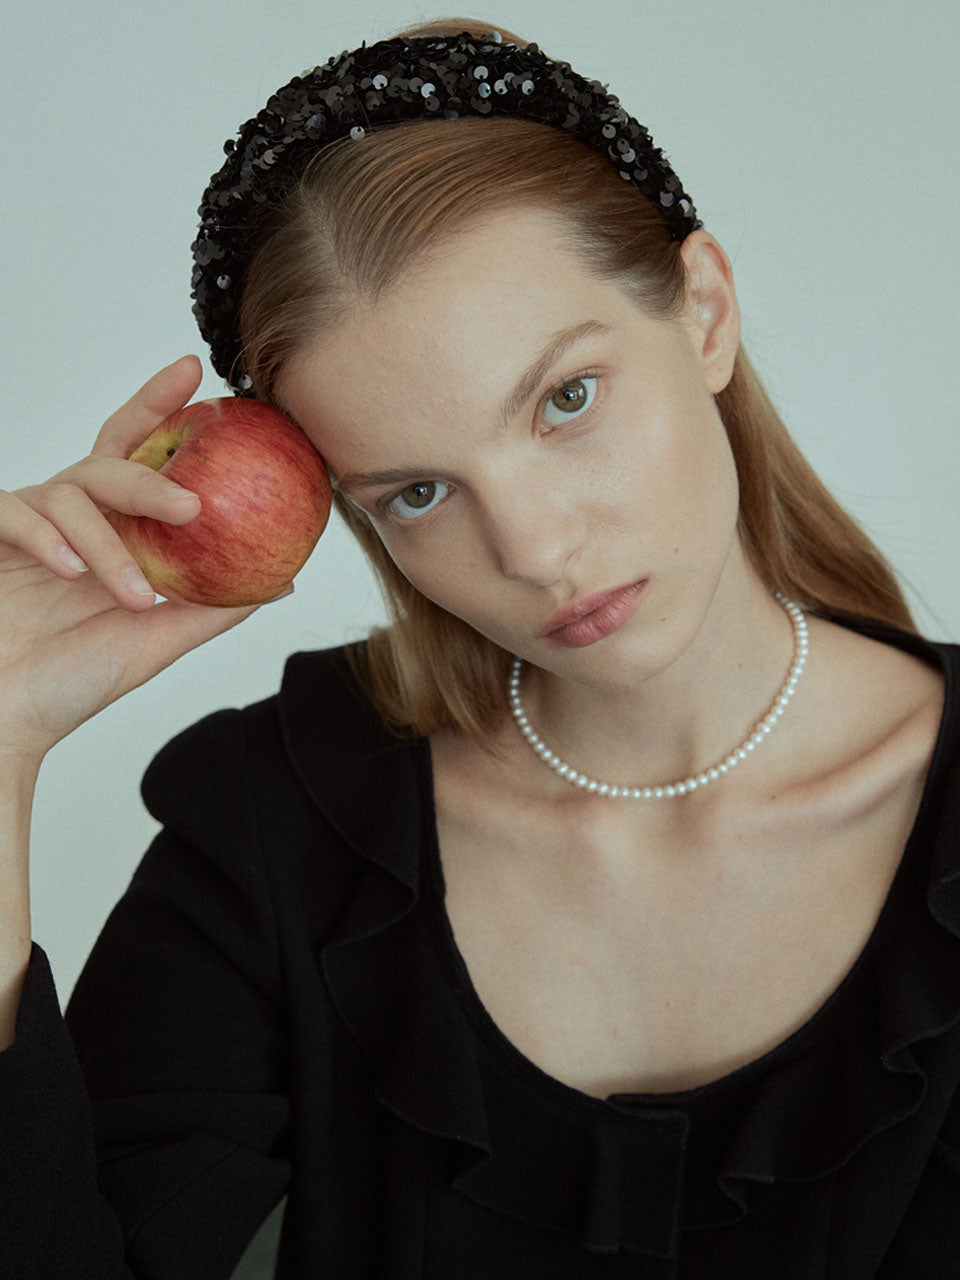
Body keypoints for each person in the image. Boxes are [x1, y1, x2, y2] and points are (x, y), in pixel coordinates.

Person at [1, 16, 957, 1278]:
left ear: (707, 310)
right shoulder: (270, 827)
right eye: (415, 492)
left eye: (566, 399)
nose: (536, 549)